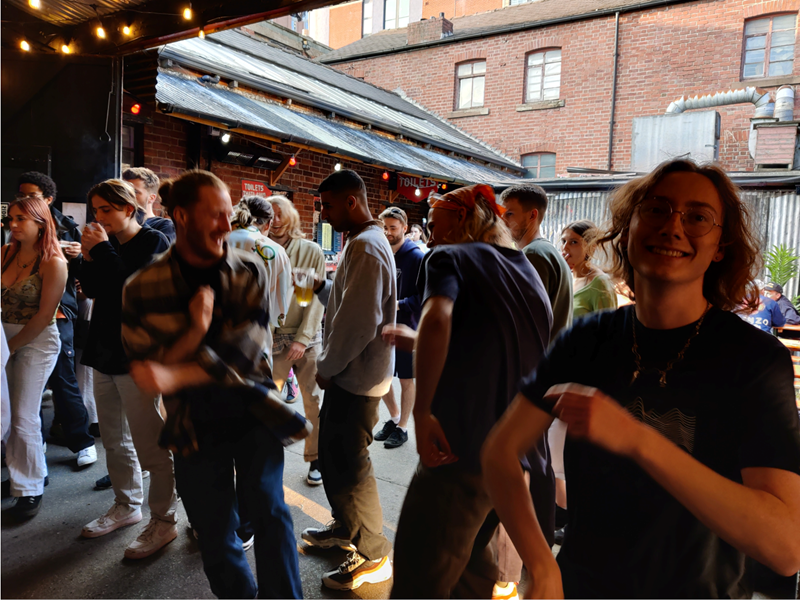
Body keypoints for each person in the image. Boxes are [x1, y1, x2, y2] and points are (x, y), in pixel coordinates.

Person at [482, 159, 800, 598]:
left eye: (698, 217)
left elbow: (785, 546)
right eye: (657, 209)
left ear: (720, 247)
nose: (673, 226)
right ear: (626, 228)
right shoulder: (588, 339)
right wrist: (540, 564)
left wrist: (638, 440)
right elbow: (499, 451)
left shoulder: (755, 360)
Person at [122, 169, 304, 599]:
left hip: (253, 410)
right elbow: (143, 368)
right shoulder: (142, 287)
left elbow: (240, 358)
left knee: (270, 511)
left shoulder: (247, 270)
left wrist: (172, 369)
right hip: (192, 421)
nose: (227, 225)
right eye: (217, 215)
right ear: (182, 216)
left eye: (230, 214)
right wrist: (195, 330)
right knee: (214, 530)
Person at [390, 184, 552, 599]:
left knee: (417, 584)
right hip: (519, 459)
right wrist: (419, 339)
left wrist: (421, 412)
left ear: (462, 218)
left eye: (434, 220)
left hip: (463, 451)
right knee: (471, 574)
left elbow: (439, 318)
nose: (428, 229)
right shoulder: (527, 270)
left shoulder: (447, 256)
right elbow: (495, 342)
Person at [301, 169, 396, 591]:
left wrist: (327, 367)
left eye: (327, 206)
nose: (323, 214)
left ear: (351, 202)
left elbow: (359, 323)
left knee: (350, 465)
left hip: (355, 377)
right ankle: (346, 528)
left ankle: (374, 555)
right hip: (351, 374)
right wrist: (323, 288)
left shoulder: (368, 247)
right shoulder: (363, 243)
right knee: (336, 459)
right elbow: (349, 304)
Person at [76, 179, 177, 560]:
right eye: (96, 210)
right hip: (104, 352)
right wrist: (87, 257)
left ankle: (164, 520)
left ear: (129, 209)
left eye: (106, 209)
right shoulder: (108, 245)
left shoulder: (154, 241)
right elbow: (93, 289)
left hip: (139, 356)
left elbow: (133, 289)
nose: (98, 217)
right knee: (113, 439)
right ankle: (126, 505)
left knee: (151, 444)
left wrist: (99, 248)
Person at [500, 183, 574, 546]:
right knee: (537, 463)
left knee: (528, 464)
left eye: (510, 212)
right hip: (544, 372)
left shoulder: (534, 256)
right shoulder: (543, 253)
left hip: (534, 374)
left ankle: (529, 550)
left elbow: (527, 326)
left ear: (533, 215)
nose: (503, 218)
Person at [17, 173, 97, 469]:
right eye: (22, 194)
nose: (25, 201)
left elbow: (82, 275)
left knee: (63, 380)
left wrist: (79, 256)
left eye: (32, 195)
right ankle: (29, 449)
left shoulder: (68, 227)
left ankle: (83, 442)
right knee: (22, 388)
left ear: (48, 199)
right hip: (19, 314)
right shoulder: (14, 226)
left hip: (57, 313)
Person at [1, 196, 67, 518]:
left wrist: (9, 348)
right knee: (7, 413)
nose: (12, 224)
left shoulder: (54, 262)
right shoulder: (4, 254)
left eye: (20, 219)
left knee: (24, 414)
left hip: (37, 341)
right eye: (10, 218)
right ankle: (23, 473)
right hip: (4, 339)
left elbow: (43, 316)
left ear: (41, 223)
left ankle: (30, 490)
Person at [267, 194, 327, 485]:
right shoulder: (259, 249)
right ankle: (267, 459)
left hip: (306, 338)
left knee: (312, 401)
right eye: (269, 215)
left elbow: (314, 299)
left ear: (291, 216)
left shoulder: (309, 250)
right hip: (270, 340)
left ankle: (315, 459)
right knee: (266, 401)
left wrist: (303, 338)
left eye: (280, 214)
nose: (275, 221)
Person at [374, 206, 424, 449]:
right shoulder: (383, 251)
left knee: (405, 379)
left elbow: (423, 297)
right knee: (380, 376)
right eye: (385, 227)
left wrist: (397, 304)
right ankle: (394, 417)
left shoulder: (416, 257)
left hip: (407, 326)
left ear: (405, 228)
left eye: (393, 228)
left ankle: (403, 427)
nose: (388, 232)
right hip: (382, 323)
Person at [228, 195, 291, 368]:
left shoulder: (215, 241)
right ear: (268, 224)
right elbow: (279, 313)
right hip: (255, 340)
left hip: (212, 336)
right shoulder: (276, 252)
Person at [561, 220, 617, 317]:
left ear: (591, 247)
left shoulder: (600, 284)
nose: (565, 247)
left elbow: (609, 329)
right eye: (563, 241)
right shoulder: (566, 277)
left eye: (574, 242)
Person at [122, 167, 176, 243]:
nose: (127, 196)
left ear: (151, 198)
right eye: (124, 191)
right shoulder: (118, 224)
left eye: (135, 192)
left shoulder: (165, 226)